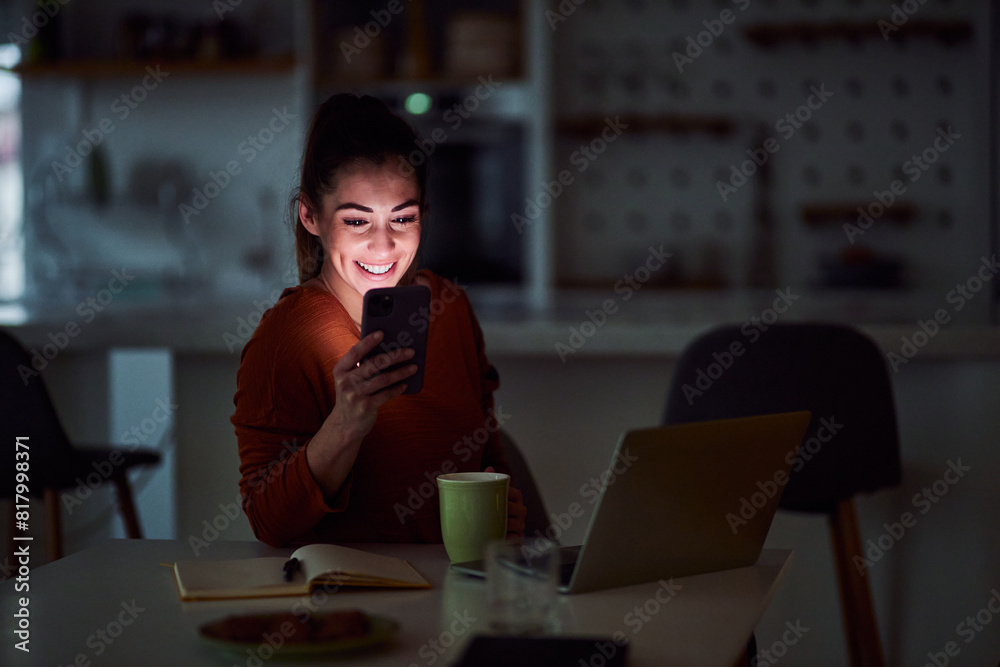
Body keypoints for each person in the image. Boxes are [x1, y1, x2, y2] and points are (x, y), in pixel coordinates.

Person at [231, 94, 525, 547]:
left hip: (457, 592)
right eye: (357, 222)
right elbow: (269, 524)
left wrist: (505, 513)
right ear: (311, 216)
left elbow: (489, 461)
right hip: (352, 601)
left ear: (424, 212)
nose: (384, 248)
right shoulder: (287, 337)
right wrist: (346, 424)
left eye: (402, 218)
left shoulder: (450, 307)